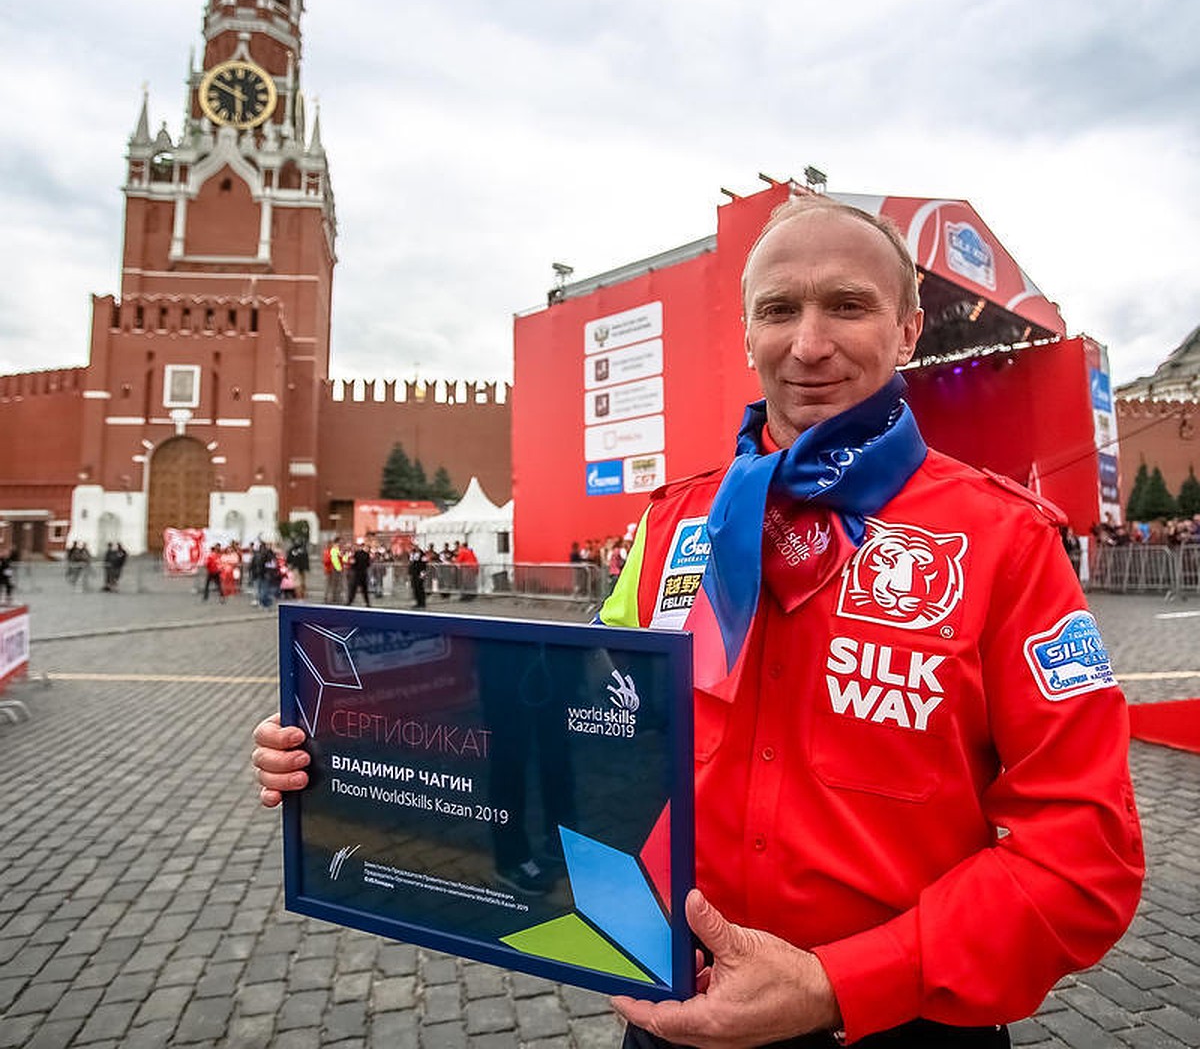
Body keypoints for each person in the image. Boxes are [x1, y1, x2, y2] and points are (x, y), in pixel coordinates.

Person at [252, 194, 1143, 1047]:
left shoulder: (1006, 542)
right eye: (779, 309)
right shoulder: (672, 526)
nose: (809, 344)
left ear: (909, 328)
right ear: (747, 329)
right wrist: (347, 748)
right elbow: (573, 718)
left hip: (900, 1024)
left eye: (848, 306)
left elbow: (1082, 856)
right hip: (682, 1013)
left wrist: (843, 983)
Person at [345, 539, 371, 606]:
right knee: (364, 590)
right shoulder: (366, 554)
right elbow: (368, 564)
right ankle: (367, 603)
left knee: (353, 589)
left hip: (357, 574)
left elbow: (352, 563)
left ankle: (349, 602)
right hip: (363, 573)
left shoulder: (355, 554)